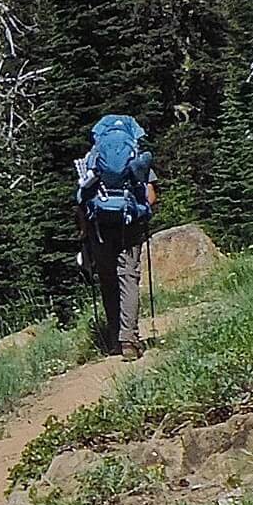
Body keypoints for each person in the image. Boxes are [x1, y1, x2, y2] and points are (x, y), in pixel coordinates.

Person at [77, 113, 159, 358]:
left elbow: (80, 198)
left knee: (108, 279)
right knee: (128, 277)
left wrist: (84, 231)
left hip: (99, 226)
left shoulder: (91, 158)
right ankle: (129, 340)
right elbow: (151, 194)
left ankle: (114, 339)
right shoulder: (136, 156)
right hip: (129, 224)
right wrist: (142, 211)